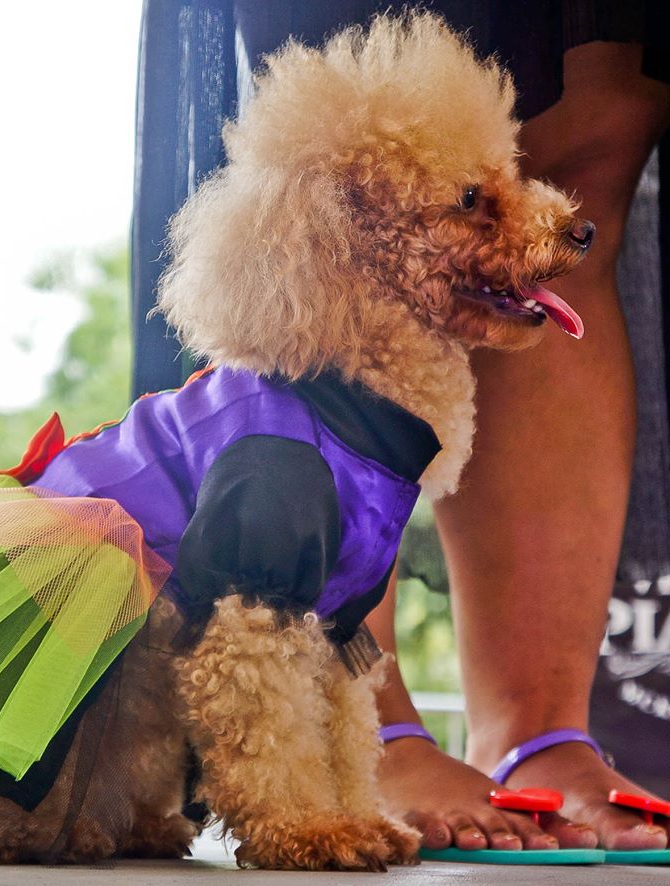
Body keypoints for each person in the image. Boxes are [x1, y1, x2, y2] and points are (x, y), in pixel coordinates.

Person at [131, 0, 670, 851]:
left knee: (598, 115)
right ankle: (371, 743)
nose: (554, 216)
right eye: (477, 202)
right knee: (336, 38)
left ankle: (538, 734)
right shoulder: (270, 453)